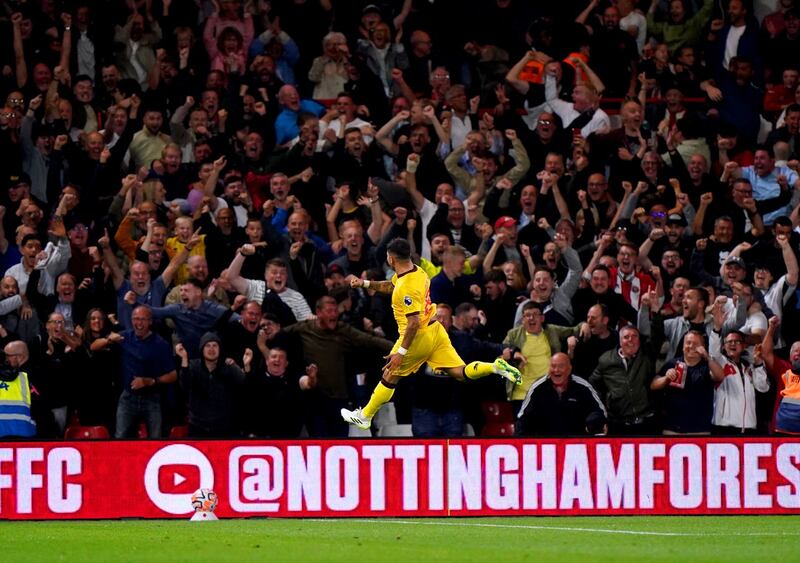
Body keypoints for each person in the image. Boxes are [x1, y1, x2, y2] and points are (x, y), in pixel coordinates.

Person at [341, 238, 522, 430]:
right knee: (460, 372)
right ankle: (494, 367)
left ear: (391, 259)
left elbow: (412, 324)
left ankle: (365, 416)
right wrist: (365, 283)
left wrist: (401, 353)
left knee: (389, 375)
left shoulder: (405, 288)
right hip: (436, 331)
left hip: (418, 336)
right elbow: (390, 285)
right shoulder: (418, 273)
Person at [116, 306, 177, 438]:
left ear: (150, 321)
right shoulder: (124, 337)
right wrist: (108, 340)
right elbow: (93, 346)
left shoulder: (161, 344)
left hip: (152, 399)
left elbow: (173, 376)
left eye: (143, 319)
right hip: (128, 398)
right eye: (136, 319)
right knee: (120, 438)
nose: (139, 323)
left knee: (155, 440)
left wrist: (150, 381)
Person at [176, 333, 251, 438]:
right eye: (208, 345)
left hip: (223, 427)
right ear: (202, 349)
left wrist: (246, 365)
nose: (211, 349)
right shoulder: (193, 366)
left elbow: (245, 385)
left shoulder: (229, 367)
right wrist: (184, 359)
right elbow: (185, 385)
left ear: (220, 349)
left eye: (215, 345)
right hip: (197, 426)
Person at [515, 352, 607, 437]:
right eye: (553, 366)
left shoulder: (583, 386)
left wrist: (595, 422)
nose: (556, 370)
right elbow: (522, 418)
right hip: (546, 444)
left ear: (569, 369)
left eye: (561, 366)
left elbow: (600, 411)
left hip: (576, 443)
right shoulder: (537, 388)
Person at [0, 340, 37, 438]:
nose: (6, 360)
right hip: (25, 434)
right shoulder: (26, 378)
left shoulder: (32, 376)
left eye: (7, 356)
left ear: (20, 356)